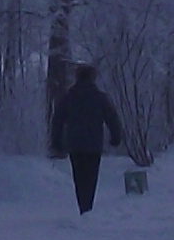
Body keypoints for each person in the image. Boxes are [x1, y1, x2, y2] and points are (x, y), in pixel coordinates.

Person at [51, 63, 127, 214]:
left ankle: (83, 207)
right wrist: (116, 136)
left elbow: (57, 120)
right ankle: (88, 207)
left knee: (79, 177)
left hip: (75, 144)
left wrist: (56, 141)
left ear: (77, 77)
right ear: (93, 77)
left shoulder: (68, 97)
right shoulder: (100, 97)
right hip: (93, 145)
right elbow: (111, 117)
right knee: (91, 177)